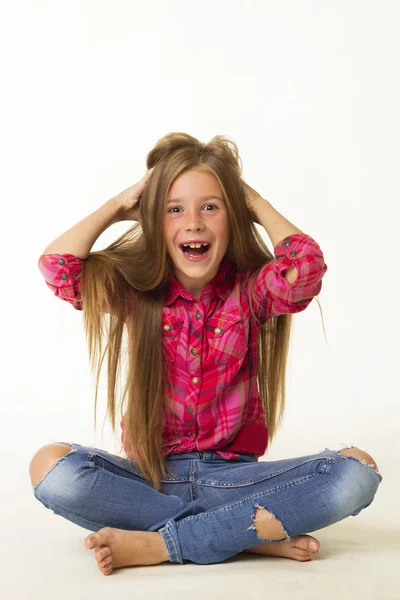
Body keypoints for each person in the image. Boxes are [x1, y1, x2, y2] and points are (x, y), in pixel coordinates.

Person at [30, 132, 382, 576]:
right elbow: (58, 266)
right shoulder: (134, 295)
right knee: (51, 467)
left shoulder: (251, 293)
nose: (193, 222)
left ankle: (164, 543)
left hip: (232, 481)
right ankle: (245, 537)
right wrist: (121, 205)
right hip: (148, 479)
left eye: (211, 207)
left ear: (232, 218)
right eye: (174, 209)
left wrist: (247, 197)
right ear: (154, 222)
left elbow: (305, 268)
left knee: (358, 472)